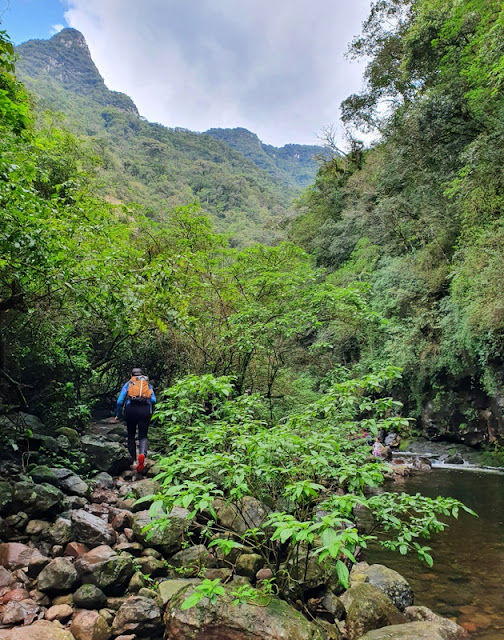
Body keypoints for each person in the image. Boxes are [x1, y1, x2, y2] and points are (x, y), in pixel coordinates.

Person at [114, 367, 156, 472]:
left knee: (131, 435)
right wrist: (151, 410)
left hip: (131, 410)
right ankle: (142, 455)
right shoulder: (147, 384)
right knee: (143, 436)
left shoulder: (129, 384)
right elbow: (154, 400)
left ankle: (133, 461)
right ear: (141, 375)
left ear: (131, 375)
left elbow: (119, 401)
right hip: (145, 410)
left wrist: (117, 414)